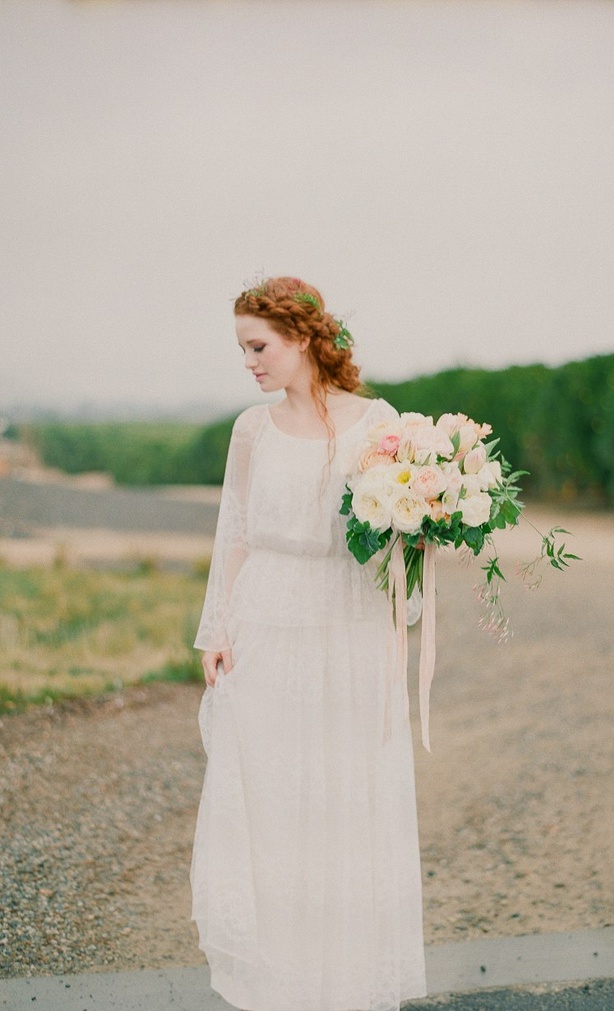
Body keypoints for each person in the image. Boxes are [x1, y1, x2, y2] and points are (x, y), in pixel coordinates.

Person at [190, 276, 427, 1011]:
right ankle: (278, 980)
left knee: (342, 801)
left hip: (346, 625)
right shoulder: (250, 430)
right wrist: (218, 627)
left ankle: (343, 980)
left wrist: (396, 636)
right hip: (265, 624)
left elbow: (398, 541)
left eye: (257, 346)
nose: (250, 363)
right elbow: (234, 532)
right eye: (243, 350)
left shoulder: (378, 422)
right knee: (272, 802)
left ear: (301, 339)